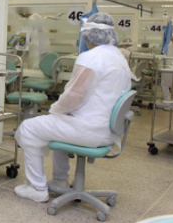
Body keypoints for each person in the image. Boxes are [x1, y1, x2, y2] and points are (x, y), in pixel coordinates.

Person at [14, 13, 131, 202]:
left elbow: (73, 97)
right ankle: (60, 180)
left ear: (88, 35)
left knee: (27, 129)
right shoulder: (119, 57)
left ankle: (37, 188)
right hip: (108, 129)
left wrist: (54, 110)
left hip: (88, 129)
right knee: (56, 127)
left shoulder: (91, 57)